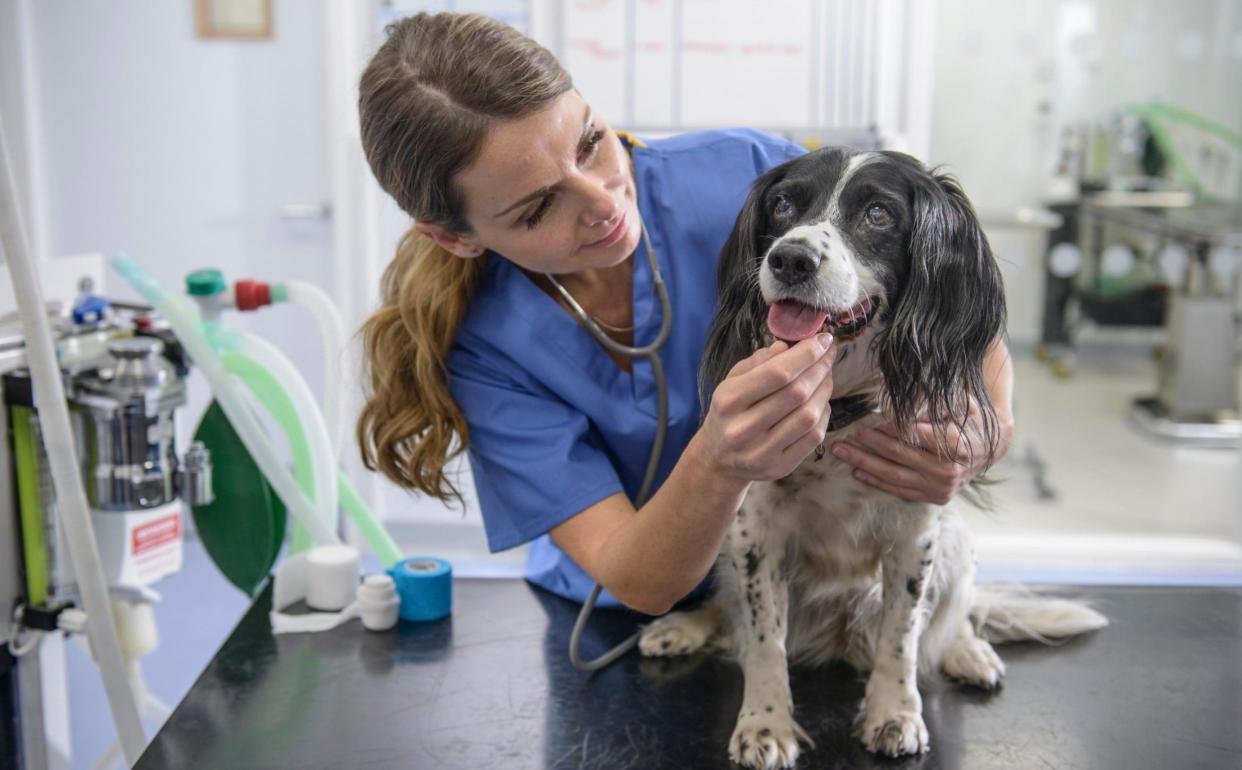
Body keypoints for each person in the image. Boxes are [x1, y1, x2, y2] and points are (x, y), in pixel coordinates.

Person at [355, 12, 1014, 617]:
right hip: (626, 619)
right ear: (456, 237)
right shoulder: (486, 350)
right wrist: (718, 462)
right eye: (537, 208)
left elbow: (947, 292)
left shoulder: (750, 175)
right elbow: (637, 578)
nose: (604, 202)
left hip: (806, 590)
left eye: (590, 142)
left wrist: (987, 427)